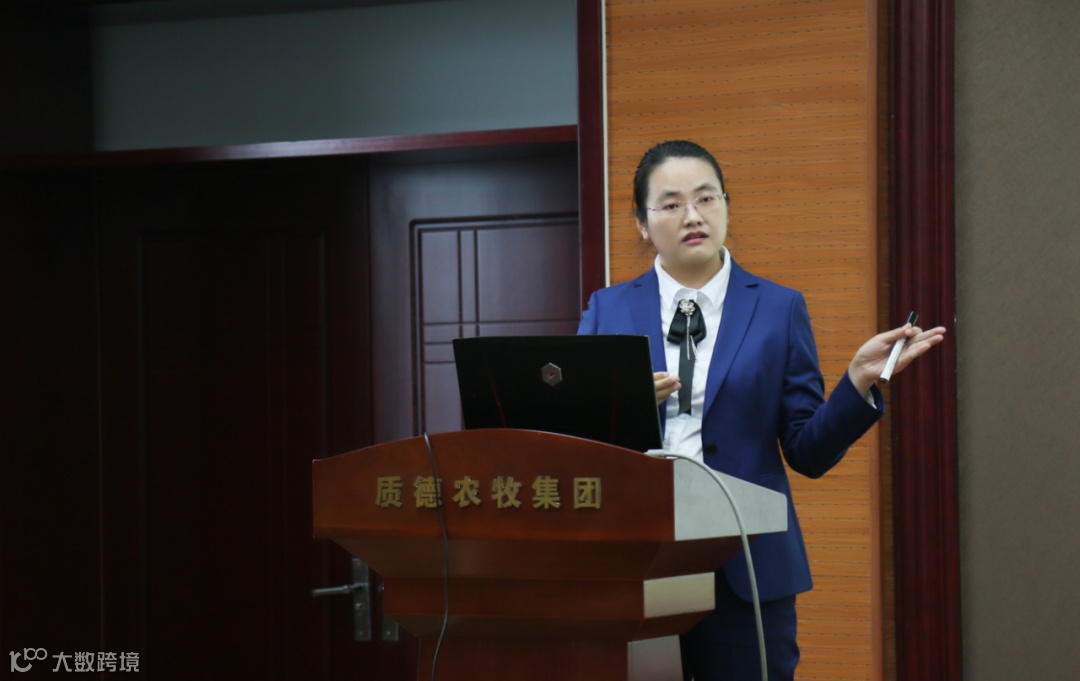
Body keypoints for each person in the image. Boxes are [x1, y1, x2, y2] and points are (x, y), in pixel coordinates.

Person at [576, 140, 946, 681]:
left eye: (707, 198)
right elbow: (576, 442)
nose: (693, 216)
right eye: (672, 204)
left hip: (746, 566)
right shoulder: (607, 309)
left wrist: (855, 383)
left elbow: (807, 452)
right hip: (638, 561)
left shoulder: (778, 307)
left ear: (726, 205)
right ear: (642, 222)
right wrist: (621, 405)